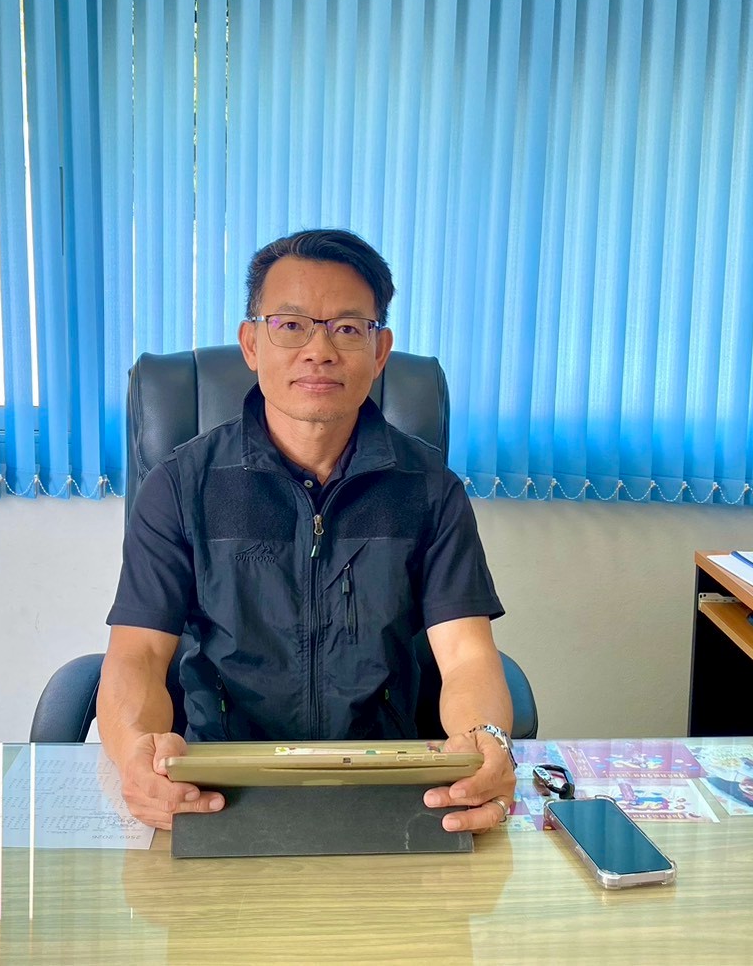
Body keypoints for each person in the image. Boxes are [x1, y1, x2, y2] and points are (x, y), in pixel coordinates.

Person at [100, 229, 517, 832]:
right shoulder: (181, 487)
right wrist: (136, 752)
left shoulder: (429, 489)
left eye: (347, 328)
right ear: (251, 343)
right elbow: (136, 654)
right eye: (291, 325)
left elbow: (467, 655)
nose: (319, 350)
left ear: (380, 351)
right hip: (217, 786)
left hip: (389, 785)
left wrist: (486, 740)